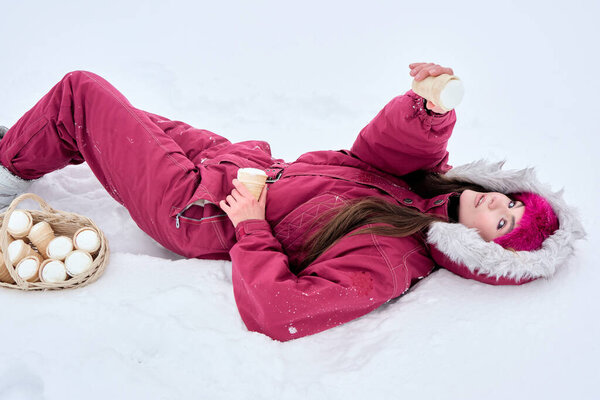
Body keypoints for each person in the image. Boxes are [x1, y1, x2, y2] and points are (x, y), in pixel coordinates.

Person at [0, 63, 584, 342]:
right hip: (234, 164)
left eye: (504, 224)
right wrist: (428, 111)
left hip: (199, 211)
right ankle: (15, 150)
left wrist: (251, 227)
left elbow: (280, 311)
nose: (496, 206)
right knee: (86, 117)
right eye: (510, 202)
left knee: (81, 96)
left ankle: (5, 167)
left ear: (484, 249)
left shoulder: (391, 259)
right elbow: (377, 153)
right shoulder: (422, 188)